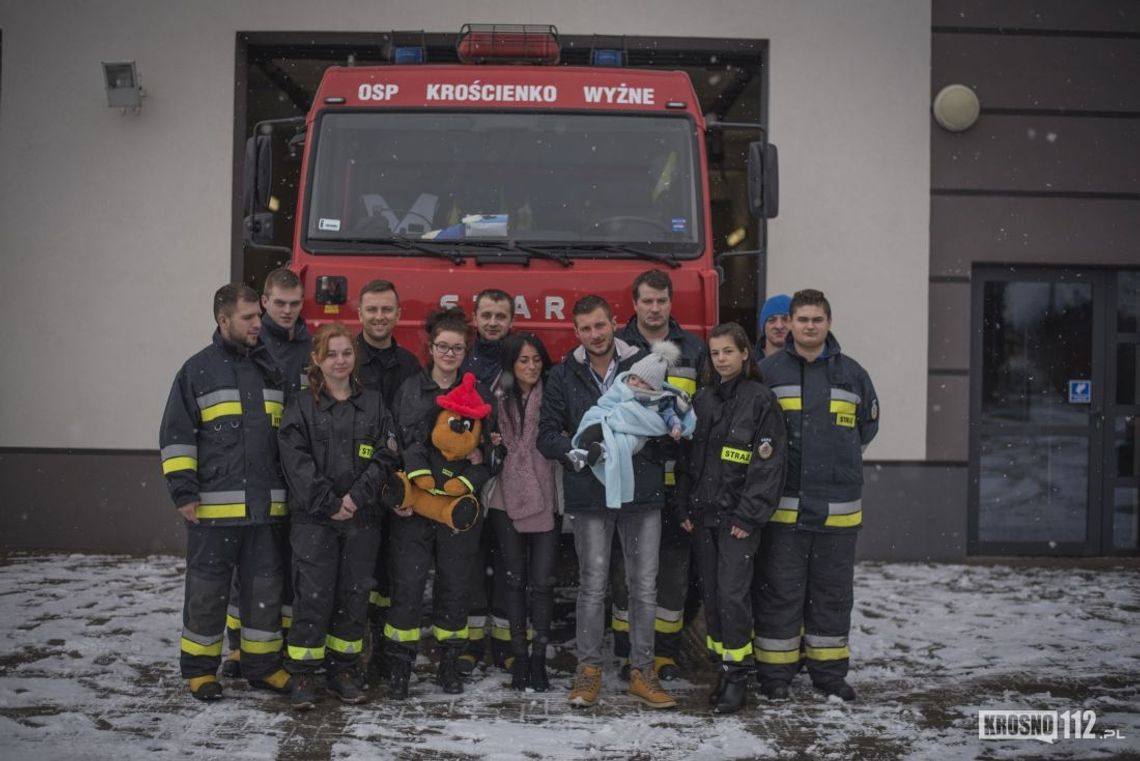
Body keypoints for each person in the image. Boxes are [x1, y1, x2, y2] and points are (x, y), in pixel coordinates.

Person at [537, 295, 676, 709]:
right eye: (586, 329)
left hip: (641, 491)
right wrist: (573, 451)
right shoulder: (563, 375)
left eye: (600, 326)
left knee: (644, 587)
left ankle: (642, 671)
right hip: (589, 494)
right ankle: (589, 670)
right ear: (576, 332)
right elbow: (546, 434)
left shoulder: (644, 366)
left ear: (614, 323)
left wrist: (644, 441)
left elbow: (667, 415)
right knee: (592, 586)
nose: (595, 335)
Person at [159, 283, 291, 701]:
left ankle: (262, 665)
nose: (259, 323)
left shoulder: (269, 368)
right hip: (213, 511)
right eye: (249, 317)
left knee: (265, 590)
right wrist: (184, 493)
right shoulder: (196, 371)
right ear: (223, 320)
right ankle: (200, 670)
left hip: (266, 510)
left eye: (259, 315)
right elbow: (176, 437)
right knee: (207, 590)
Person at [755, 289, 879, 702]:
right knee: (781, 593)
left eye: (817, 319)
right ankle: (776, 676)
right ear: (789, 323)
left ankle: (829, 676)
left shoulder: (854, 374)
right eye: (802, 319)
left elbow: (866, 429)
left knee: (832, 595)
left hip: (837, 513)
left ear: (828, 322)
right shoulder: (768, 372)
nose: (810, 326)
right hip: (783, 512)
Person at [278, 323, 399, 710]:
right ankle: (304, 676)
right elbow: (295, 463)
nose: (340, 360)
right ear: (316, 359)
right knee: (312, 599)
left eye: (346, 353)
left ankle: (343, 669)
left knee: (353, 598)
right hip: (314, 522)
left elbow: (386, 456)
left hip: (362, 521)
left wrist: (356, 498)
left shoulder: (375, 403)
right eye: (331, 354)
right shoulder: (299, 407)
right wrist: (331, 501)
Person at [383, 307, 497, 699]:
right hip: (413, 510)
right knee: (408, 587)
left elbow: (492, 454)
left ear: (466, 351)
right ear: (430, 348)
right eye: (443, 347)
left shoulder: (479, 394)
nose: (450, 354)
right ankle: (400, 668)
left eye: (457, 348)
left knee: (455, 587)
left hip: (458, 511)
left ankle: (449, 664)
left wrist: (478, 469)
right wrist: (400, 494)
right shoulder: (411, 390)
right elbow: (395, 445)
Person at [675, 322, 786, 714]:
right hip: (703, 518)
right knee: (714, 597)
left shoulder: (760, 400)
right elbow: (688, 462)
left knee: (734, 596)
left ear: (744, 354)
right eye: (715, 352)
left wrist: (749, 515)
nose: (721, 358)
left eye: (728, 351)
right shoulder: (702, 400)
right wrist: (684, 507)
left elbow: (767, 466)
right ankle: (724, 668)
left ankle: (739, 677)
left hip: (737, 521)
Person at [611, 269, 704, 681]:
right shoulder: (616, 348)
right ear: (634, 303)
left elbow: (706, 412)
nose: (654, 308)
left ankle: (663, 652)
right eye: (647, 300)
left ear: (671, 302)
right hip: (627, 478)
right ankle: (623, 650)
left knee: (672, 569)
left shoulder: (694, 350)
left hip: (677, 480)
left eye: (661, 300)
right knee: (622, 569)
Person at [221, 268, 311, 680]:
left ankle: (285, 644)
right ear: (264, 303)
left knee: (292, 564)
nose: (288, 311)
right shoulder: (254, 346)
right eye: (279, 303)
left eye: (295, 303)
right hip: (260, 472)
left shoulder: (315, 347)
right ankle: (240, 647)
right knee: (251, 564)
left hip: (301, 474)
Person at [353, 279, 421, 685]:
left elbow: (411, 431)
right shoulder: (346, 359)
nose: (379, 317)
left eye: (386, 310)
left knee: (391, 579)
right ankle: (349, 660)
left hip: (397, 489)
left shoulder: (410, 365)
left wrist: (402, 485)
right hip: (356, 486)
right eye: (372, 309)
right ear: (359, 313)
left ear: (398, 315)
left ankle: (383, 657)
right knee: (354, 579)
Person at [484, 332, 560, 691]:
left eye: (537, 360)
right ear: (511, 365)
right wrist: (491, 441)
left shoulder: (556, 393)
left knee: (543, 582)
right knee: (513, 579)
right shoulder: (494, 394)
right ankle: (518, 657)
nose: (531, 367)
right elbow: (479, 437)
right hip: (505, 495)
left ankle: (539, 659)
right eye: (523, 361)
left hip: (547, 492)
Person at [457, 288, 515, 675]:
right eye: (487, 315)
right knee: (471, 563)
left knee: (511, 563)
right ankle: (471, 643)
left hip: (513, 481)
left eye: (501, 316)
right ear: (474, 319)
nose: (493, 322)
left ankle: (508, 644)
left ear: (511, 321)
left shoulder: (522, 359)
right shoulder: (463, 360)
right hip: (472, 477)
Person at [572, 341, 697, 507]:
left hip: (636, 433)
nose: (635, 384)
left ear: (653, 387)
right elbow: (605, 403)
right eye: (633, 378)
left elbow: (669, 415)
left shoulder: (659, 401)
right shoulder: (621, 388)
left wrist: (676, 426)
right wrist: (606, 416)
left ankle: (600, 453)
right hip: (611, 422)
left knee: (627, 442)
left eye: (642, 381)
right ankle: (585, 451)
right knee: (597, 423)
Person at [754, 293, 791, 360]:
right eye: (772, 320)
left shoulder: (807, 362)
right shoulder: (749, 365)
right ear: (763, 326)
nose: (779, 326)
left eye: (785, 319)